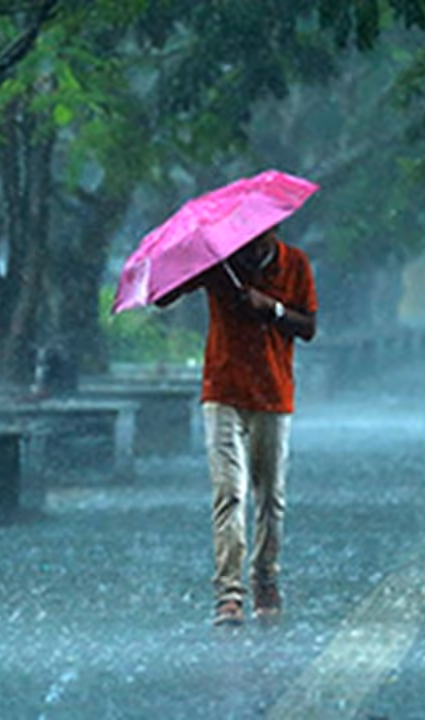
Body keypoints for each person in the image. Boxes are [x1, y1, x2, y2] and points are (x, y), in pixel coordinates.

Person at [157, 225, 317, 627]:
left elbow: (309, 327)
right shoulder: (219, 263)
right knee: (229, 492)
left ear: (274, 231)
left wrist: (272, 309)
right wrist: (185, 262)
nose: (251, 244)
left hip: (273, 394)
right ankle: (228, 594)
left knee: (270, 497)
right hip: (222, 391)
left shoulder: (294, 263)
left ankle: (265, 578)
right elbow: (164, 298)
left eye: (259, 236)